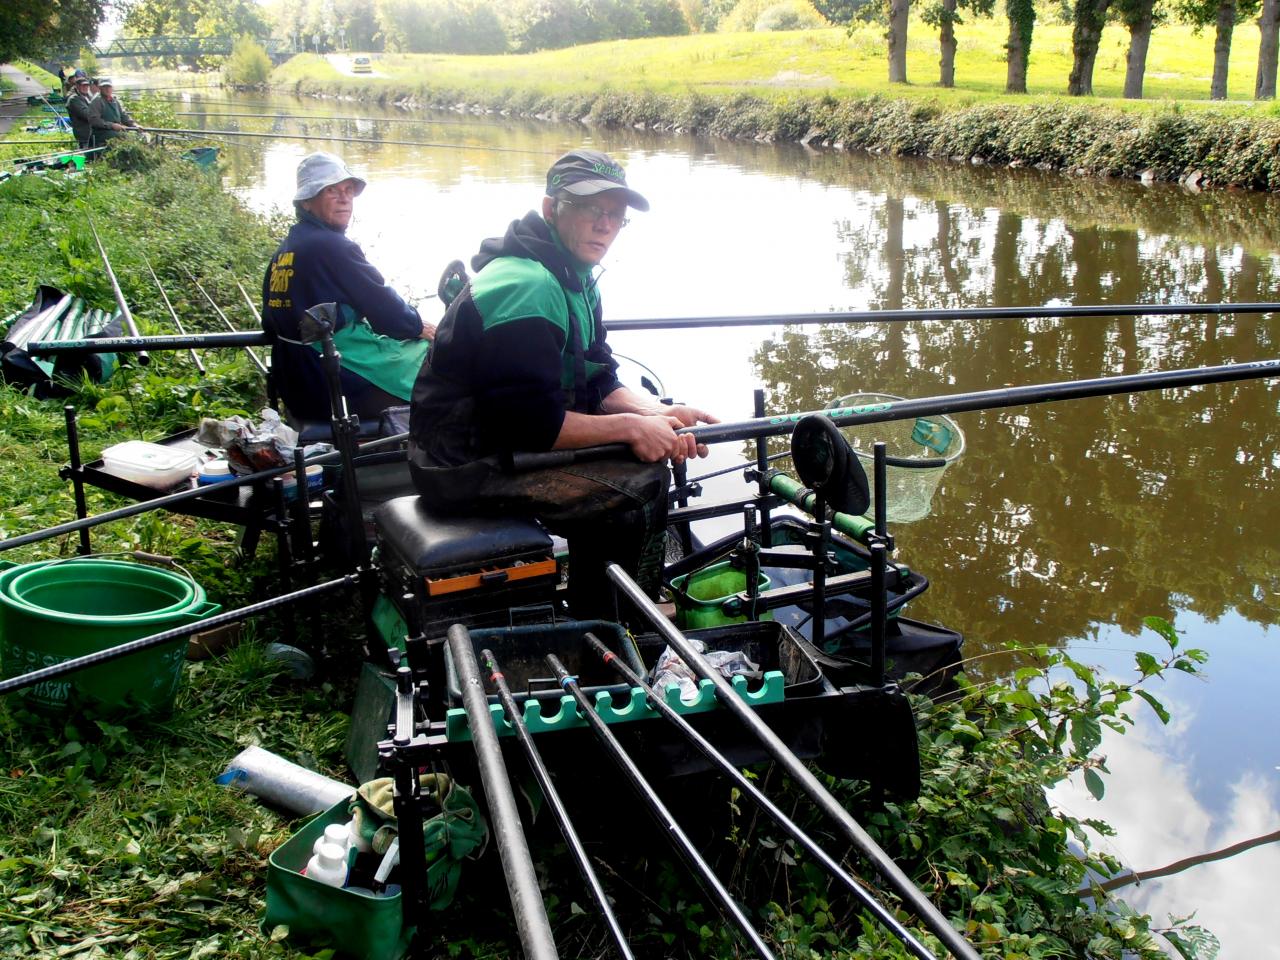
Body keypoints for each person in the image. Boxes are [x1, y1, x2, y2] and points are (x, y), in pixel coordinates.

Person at [408, 148, 717, 619]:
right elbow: (532, 425)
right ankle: (605, 623)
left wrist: (657, 414)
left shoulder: (574, 275)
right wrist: (632, 429)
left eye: (616, 216)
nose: (605, 226)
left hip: (496, 440)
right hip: (460, 463)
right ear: (552, 208)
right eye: (592, 210)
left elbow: (600, 375)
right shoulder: (526, 285)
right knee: (638, 486)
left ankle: (607, 605)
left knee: (637, 453)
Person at [262, 151, 434, 423]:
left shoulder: (286, 249)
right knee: (434, 361)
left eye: (348, 190)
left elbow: (269, 323)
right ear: (307, 202)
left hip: (295, 378)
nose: (344, 199)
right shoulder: (332, 246)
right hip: (328, 376)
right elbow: (385, 308)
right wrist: (418, 326)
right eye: (331, 191)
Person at [89, 79, 139, 147]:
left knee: (138, 135)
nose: (107, 89)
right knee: (126, 137)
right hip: (101, 133)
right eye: (104, 87)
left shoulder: (115, 101)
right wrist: (112, 125)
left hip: (116, 131)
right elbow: (94, 120)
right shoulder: (97, 101)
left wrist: (135, 125)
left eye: (109, 87)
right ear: (100, 88)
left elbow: (123, 116)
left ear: (112, 88)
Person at [65, 73, 95, 151]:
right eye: (83, 86)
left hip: (92, 133)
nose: (85, 87)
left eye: (87, 85)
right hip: (84, 134)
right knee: (86, 154)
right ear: (77, 86)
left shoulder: (88, 96)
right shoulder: (74, 99)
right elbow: (86, 114)